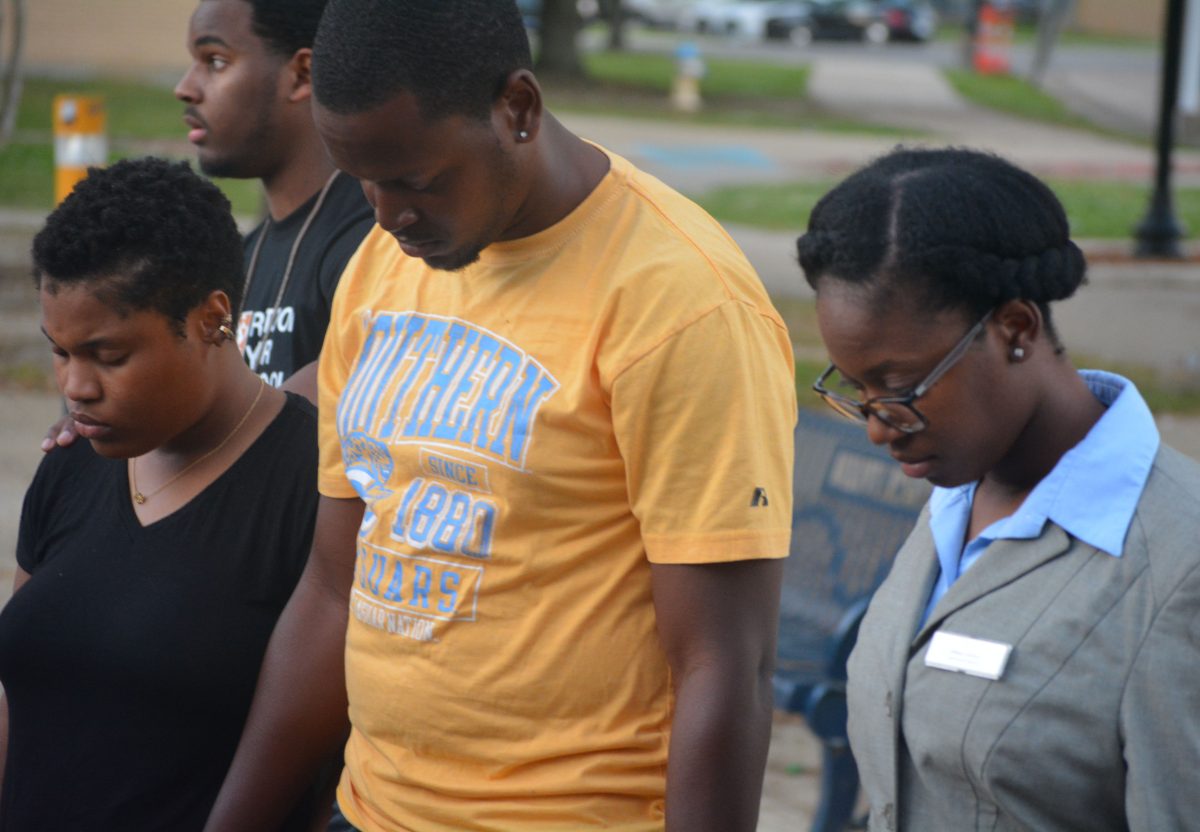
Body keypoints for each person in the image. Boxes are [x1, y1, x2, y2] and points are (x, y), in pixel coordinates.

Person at [203, 1, 798, 830]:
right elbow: (334, 588)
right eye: (364, 181)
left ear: (516, 108)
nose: (385, 215)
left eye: (415, 179)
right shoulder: (383, 267)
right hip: (369, 809)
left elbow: (725, 665)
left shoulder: (680, 302)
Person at [796, 146, 1200, 831]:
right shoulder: (953, 493)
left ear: (1014, 329)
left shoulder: (1177, 569)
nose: (877, 426)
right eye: (854, 389)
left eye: (898, 389)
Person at [0, 158, 321, 830]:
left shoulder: (314, 483)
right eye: (59, 352)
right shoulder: (73, 460)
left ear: (211, 318)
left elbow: (321, 759)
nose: (76, 386)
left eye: (108, 355)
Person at [40, 0, 373, 455]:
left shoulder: (376, 244)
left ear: (301, 75)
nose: (185, 88)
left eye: (215, 61)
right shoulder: (240, 253)